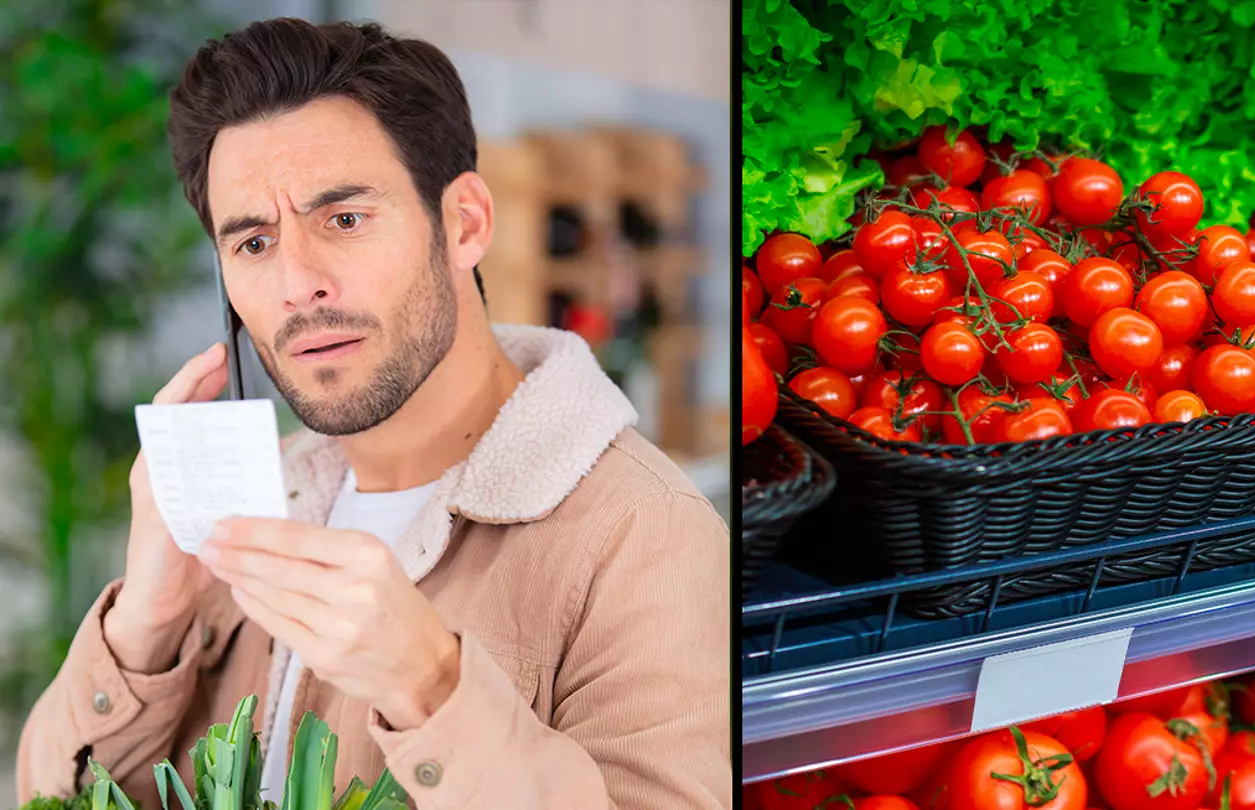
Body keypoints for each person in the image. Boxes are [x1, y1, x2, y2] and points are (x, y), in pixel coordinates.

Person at [15, 17, 730, 810]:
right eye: (253, 243)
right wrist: (145, 628)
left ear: (465, 223)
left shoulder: (645, 534)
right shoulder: (252, 509)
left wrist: (432, 688)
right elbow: (49, 791)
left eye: (344, 220)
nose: (298, 283)